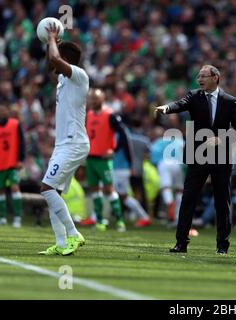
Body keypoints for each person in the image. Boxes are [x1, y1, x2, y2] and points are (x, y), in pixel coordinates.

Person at [155, 65, 236, 254]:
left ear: (216, 78)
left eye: (204, 76)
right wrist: (166, 108)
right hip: (197, 155)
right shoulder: (194, 96)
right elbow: (179, 104)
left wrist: (221, 139)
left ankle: (222, 245)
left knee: (222, 201)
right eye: (199, 77)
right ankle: (181, 243)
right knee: (188, 198)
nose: (200, 80)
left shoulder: (229, 101)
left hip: (221, 156)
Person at [39, 23, 89, 256]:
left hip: (74, 143)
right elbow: (52, 64)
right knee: (53, 193)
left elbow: (57, 62)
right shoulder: (62, 80)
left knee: (47, 188)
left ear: (67, 58)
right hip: (64, 144)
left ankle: (73, 234)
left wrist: (51, 39)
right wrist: (51, 45)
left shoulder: (79, 76)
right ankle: (60, 243)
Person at [85, 88, 127, 232]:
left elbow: (123, 134)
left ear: (102, 99)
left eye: (95, 98)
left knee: (109, 189)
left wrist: (113, 150)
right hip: (90, 159)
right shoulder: (88, 115)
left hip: (104, 160)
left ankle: (120, 220)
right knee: (95, 190)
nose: (92, 101)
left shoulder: (110, 115)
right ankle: (100, 221)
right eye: (91, 98)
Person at [0, 104, 25, 228]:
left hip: (12, 164)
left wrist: (21, 159)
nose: (1, 112)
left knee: (14, 188)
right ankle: (2, 218)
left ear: (7, 111)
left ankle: (17, 218)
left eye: (4, 109)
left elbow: (21, 142)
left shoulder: (15, 124)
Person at [113, 123, 151, 227]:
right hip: (121, 168)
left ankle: (143, 217)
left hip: (120, 169)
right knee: (111, 193)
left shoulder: (120, 134)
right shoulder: (124, 133)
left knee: (122, 196)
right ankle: (98, 218)